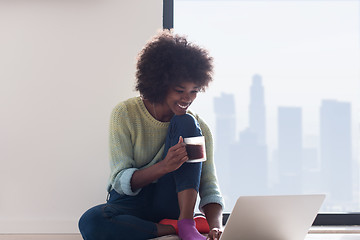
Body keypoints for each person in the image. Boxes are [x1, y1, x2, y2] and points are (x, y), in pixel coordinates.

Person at [78, 30, 224, 240]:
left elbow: (209, 185)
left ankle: (185, 222)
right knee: (92, 221)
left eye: (194, 91)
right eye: (180, 90)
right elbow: (120, 180)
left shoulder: (198, 127)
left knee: (187, 123)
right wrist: (164, 166)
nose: (188, 98)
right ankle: (175, 228)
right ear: (160, 84)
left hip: (172, 200)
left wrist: (216, 226)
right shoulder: (125, 114)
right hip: (131, 201)